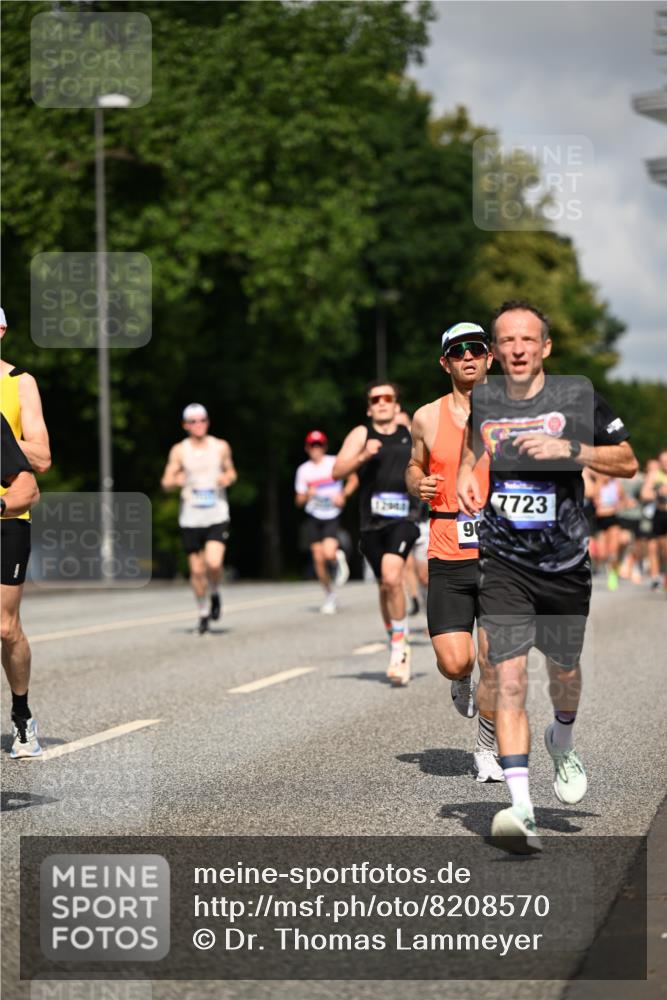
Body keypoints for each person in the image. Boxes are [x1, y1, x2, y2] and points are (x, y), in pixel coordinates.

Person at [457, 300, 638, 853]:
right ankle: (522, 811)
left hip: (563, 564)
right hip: (504, 562)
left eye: (527, 340)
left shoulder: (577, 397)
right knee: (508, 677)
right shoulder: (484, 400)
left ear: (545, 347)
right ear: (496, 350)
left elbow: (627, 460)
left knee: (564, 672)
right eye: (507, 340)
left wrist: (571, 449)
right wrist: (467, 477)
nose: (517, 349)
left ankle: (563, 738)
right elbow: (470, 451)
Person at [407, 322, 503, 782]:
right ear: (445, 362)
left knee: (496, 660)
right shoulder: (427, 416)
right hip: (447, 549)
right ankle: (461, 679)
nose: (468, 356)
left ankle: (487, 749)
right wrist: (417, 483)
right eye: (458, 351)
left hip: (503, 555)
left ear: (490, 358)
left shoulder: (514, 412)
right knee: (455, 661)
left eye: (476, 349)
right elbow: (413, 464)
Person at [333, 382, 419, 685]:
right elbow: (337, 471)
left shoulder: (411, 432)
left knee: (393, 577)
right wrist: (362, 456)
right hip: (371, 524)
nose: (381, 402)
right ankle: (396, 636)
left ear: (397, 405)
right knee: (385, 585)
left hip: (405, 518)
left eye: (387, 398)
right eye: (375, 399)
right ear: (369, 408)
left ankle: (399, 648)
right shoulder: (361, 434)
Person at [1, 307, 52, 759]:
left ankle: (22, 714)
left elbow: (42, 457)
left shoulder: (19, 382)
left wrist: (3, 440)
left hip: (9, 513)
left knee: (5, 627)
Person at [161, 403, 237, 634]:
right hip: (191, 517)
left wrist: (227, 478)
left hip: (216, 514)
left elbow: (231, 471)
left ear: (208, 422)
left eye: (202, 420)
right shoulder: (179, 450)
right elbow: (166, 482)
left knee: (213, 563)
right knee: (196, 571)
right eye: (193, 421)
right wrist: (175, 481)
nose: (198, 425)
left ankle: (215, 591)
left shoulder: (220, 446)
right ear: (185, 425)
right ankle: (203, 611)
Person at [294, 430, 356, 614]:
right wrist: (307, 494)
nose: (316, 449)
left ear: (324, 446)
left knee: (328, 553)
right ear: (307, 448)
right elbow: (298, 501)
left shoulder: (334, 462)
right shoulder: (303, 470)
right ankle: (330, 596)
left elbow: (353, 479)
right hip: (314, 516)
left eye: (319, 445)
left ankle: (337, 558)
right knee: (318, 560)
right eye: (312, 445)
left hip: (332, 514)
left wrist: (343, 495)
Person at [593, 475, 624, 590]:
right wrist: (600, 482)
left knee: (613, 551)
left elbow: (622, 499)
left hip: (613, 518)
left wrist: (616, 507)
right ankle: (608, 568)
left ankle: (613, 575)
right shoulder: (598, 483)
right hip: (600, 520)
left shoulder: (616, 483)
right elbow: (595, 500)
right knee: (602, 554)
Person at [642, 449, 667, 590]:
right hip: (657, 514)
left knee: (665, 549)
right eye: (663, 461)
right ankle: (655, 577)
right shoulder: (654, 475)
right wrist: (658, 493)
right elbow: (644, 493)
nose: (665, 464)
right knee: (652, 547)